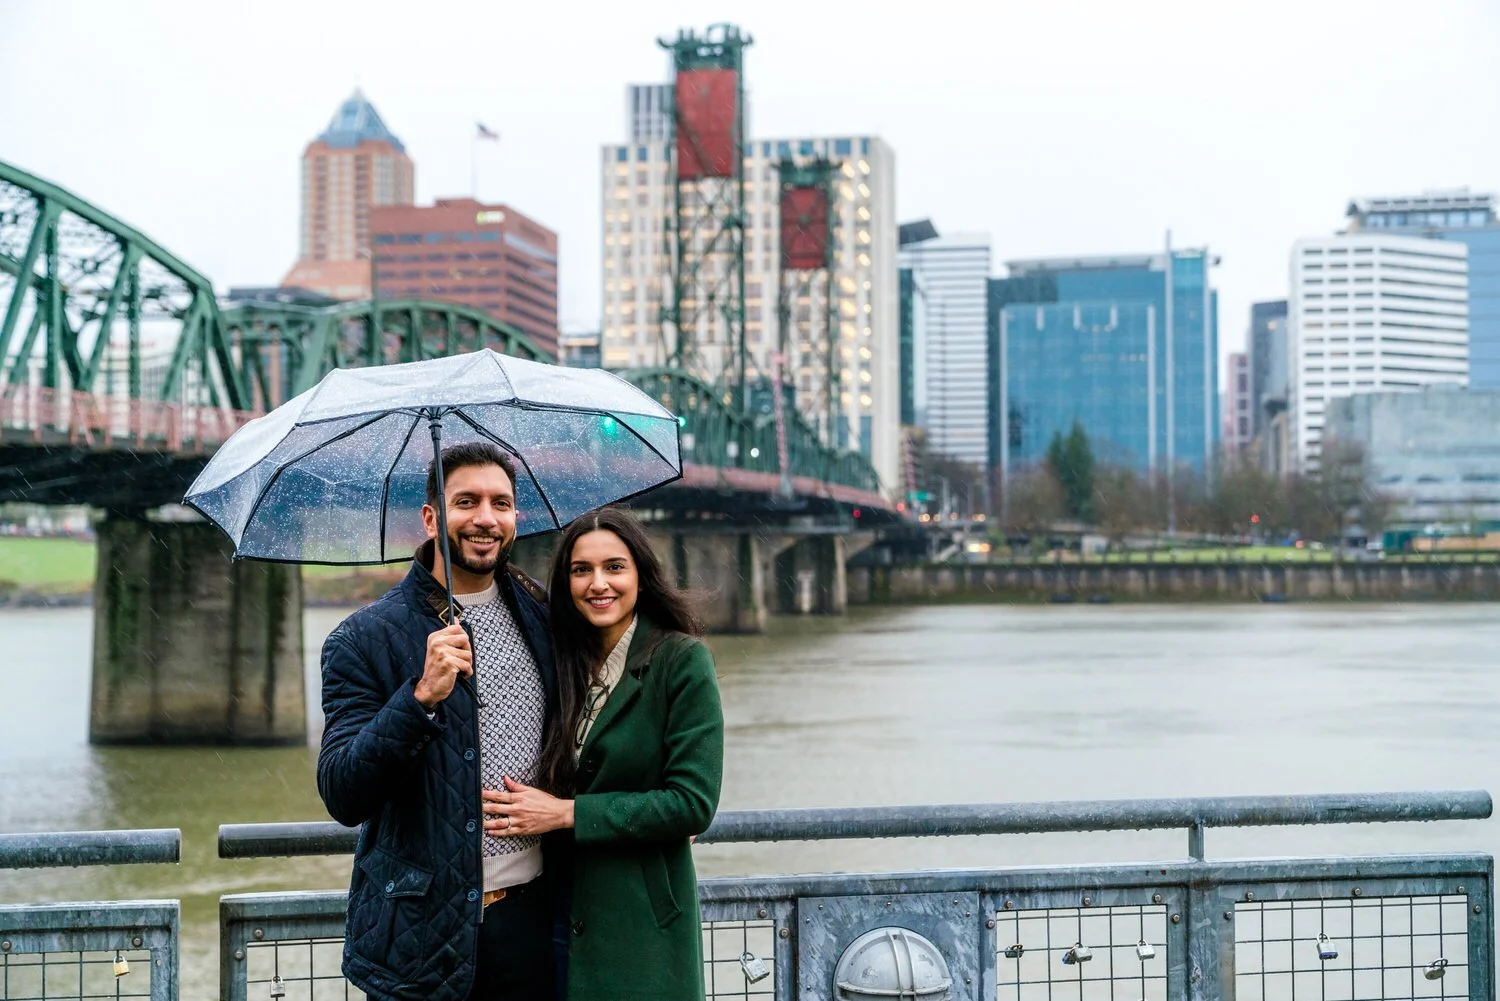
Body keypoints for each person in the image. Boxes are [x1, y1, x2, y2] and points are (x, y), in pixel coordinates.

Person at [317, 441, 561, 1001]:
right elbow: (342, 793)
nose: (485, 518)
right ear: (431, 517)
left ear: (515, 518)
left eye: (500, 503)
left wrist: (648, 800)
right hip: (422, 937)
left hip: (535, 921)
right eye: (466, 502)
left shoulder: (545, 617)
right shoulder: (363, 639)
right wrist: (420, 697)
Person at [485, 507, 724, 1001]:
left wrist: (566, 814)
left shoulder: (680, 661)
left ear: (641, 573)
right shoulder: (560, 660)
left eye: (614, 567)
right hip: (553, 909)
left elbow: (693, 803)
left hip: (639, 918)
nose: (599, 584)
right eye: (581, 570)